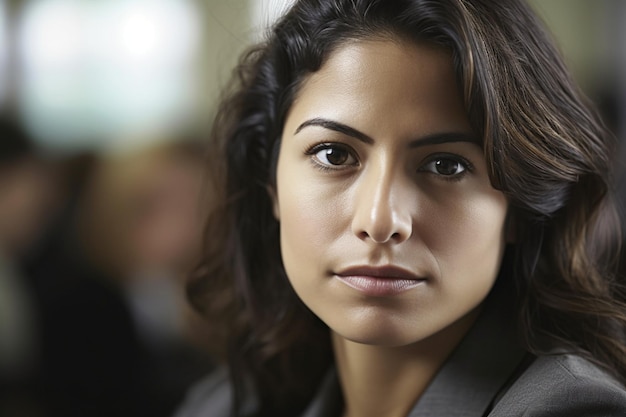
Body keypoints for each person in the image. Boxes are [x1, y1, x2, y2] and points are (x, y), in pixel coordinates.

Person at [176, 0, 626, 416]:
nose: (380, 220)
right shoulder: (222, 405)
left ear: (519, 208)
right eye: (334, 155)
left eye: (445, 165)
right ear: (268, 182)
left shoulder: (570, 408)